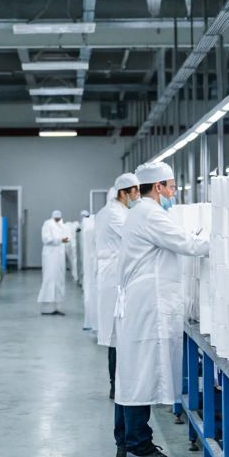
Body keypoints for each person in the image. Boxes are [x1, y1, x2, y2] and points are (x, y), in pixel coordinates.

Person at [115, 161, 209, 457]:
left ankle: (125, 446)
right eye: (170, 185)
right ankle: (139, 448)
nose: (173, 192)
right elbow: (186, 244)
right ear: (158, 187)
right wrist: (223, 240)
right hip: (149, 303)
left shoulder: (140, 212)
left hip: (142, 301)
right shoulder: (150, 213)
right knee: (141, 373)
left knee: (132, 373)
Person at [97, 173, 140, 407]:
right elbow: (134, 236)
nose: (137, 196)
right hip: (114, 277)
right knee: (116, 335)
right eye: (135, 192)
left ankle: (118, 383)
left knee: (118, 334)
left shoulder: (117, 211)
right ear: (123, 192)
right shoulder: (114, 213)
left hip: (116, 275)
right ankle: (117, 384)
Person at [38, 209, 70, 315]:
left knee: (59, 280)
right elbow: (46, 239)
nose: (58, 219)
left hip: (59, 256)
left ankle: (57, 307)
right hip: (50, 255)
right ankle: (46, 308)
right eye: (56, 218)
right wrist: (60, 240)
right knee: (49, 278)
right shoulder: (47, 224)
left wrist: (65, 239)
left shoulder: (63, 226)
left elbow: (67, 237)